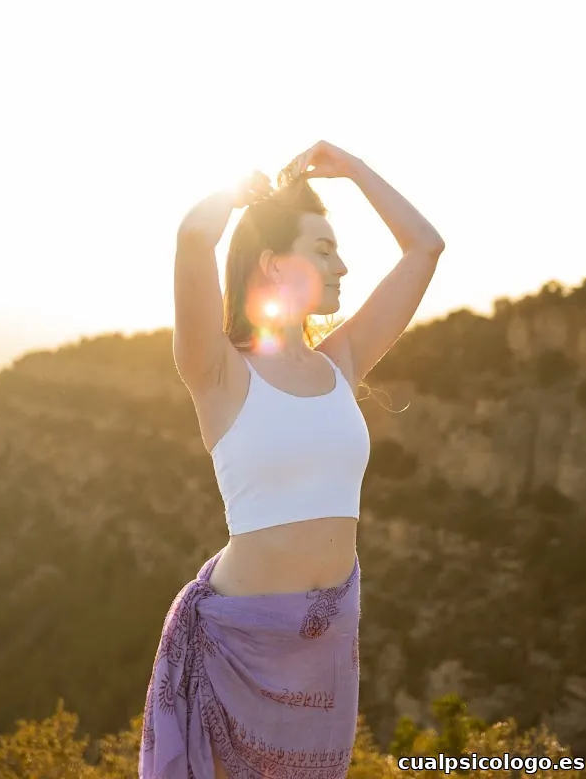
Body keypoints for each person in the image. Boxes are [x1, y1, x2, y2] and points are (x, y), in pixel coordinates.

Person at [139, 139, 445, 779]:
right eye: (324, 251)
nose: (342, 267)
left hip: (326, 648)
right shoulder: (218, 370)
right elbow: (193, 238)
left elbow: (426, 247)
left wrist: (355, 169)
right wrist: (236, 192)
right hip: (238, 650)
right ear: (275, 266)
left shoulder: (341, 362)